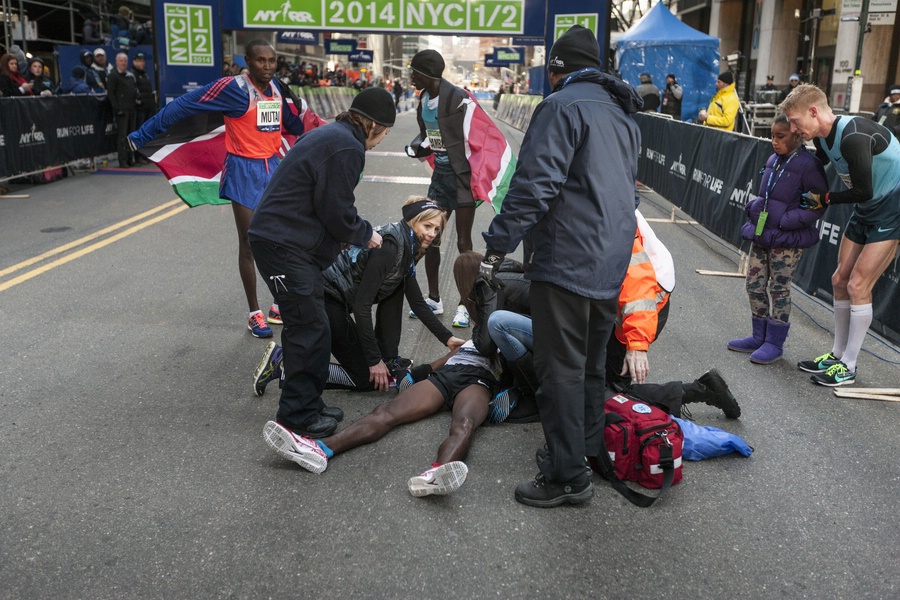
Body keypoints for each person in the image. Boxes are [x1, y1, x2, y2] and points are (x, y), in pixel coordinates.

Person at [481, 25, 641, 508]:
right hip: (609, 262)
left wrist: (496, 244)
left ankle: (567, 477)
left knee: (561, 371)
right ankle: (585, 453)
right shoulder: (622, 114)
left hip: (567, 259)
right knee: (590, 368)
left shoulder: (560, 106)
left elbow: (534, 186)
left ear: (556, 70)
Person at [129, 40, 307, 338]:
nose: (267, 66)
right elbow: (186, 104)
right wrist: (144, 132)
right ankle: (254, 313)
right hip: (243, 172)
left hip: (274, 171)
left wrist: (311, 121)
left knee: (284, 239)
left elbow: (294, 122)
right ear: (248, 63)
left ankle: (278, 304)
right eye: (260, 61)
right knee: (250, 243)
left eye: (272, 61)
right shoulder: (234, 89)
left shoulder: (277, 88)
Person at [248, 87, 395, 440]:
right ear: (372, 124)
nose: (380, 141)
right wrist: (365, 234)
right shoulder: (348, 147)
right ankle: (297, 416)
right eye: (385, 133)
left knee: (314, 328)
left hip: (288, 240)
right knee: (308, 330)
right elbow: (337, 211)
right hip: (282, 244)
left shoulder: (333, 135)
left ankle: (309, 403)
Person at [252, 197, 465, 396]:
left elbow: (417, 302)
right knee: (365, 377)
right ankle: (285, 366)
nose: (432, 234)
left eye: (436, 229)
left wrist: (447, 339)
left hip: (337, 299)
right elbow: (362, 306)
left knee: (397, 286)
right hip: (326, 300)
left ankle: (388, 358)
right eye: (427, 226)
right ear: (412, 222)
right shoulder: (390, 247)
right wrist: (374, 360)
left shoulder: (407, 246)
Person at [262, 338, 496, 497]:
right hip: (447, 376)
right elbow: (437, 364)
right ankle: (319, 449)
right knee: (385, 412)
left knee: (464, 425)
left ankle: (438, 474)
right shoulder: (471, 341)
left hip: (478, 382)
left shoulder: (512, 334)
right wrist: (411, 375)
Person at [780, 84, 900, 386]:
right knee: (839, 280)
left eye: (795, 122)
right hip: (867, 208)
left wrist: (824, 199)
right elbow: (813, 164)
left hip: (891, 208)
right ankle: (836, 354)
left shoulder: (853, 136)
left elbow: (862, 189)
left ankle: (850, 364)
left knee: (859, 284)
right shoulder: (823, 138)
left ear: (813, 111)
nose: (793, 129)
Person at [406, 48, 512, 329]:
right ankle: (434, 299)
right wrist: (420, 146)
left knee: (464, 243)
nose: (410, 77)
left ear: (427, 73)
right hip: (441, 177)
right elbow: (432, 135)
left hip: (462, 179)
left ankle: (466, 306)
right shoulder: (424, 99)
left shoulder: (459, 99)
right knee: (429, 238)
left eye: (414, 72)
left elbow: (481, 134)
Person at [727, 113, 828, 363]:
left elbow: (818, 204)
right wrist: (754, 207)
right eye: (772, 135)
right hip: (762, 235)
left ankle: (774, 342)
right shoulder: (774, 159)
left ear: (796, 134)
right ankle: (758, 336)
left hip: (787, 241)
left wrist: (788, 221)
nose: (774, 141)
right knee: (753, 284)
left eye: (780, 136)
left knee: (779, 289)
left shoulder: (809, 164)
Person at [107, 52, 138, 168]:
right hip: (121, 112)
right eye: (121, 61)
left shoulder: (130, 76)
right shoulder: (113, 75)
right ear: (116, 62)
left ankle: (131, 158)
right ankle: (123, 160)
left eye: (125, 61)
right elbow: (111, 93)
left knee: (131, 136)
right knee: (122, 137)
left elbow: (134, 90)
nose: (123, 63)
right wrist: (116, 109)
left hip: (132, 109)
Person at [131, 52, 156, 132]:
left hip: (148, 107)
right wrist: (139, 101)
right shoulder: (132, 74)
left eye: (142, 61)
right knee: (139, 130)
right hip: (139, 109)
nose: (141, 63)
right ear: (134, 61)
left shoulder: (145, 74)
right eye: (139, 61)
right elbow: (133, 91)